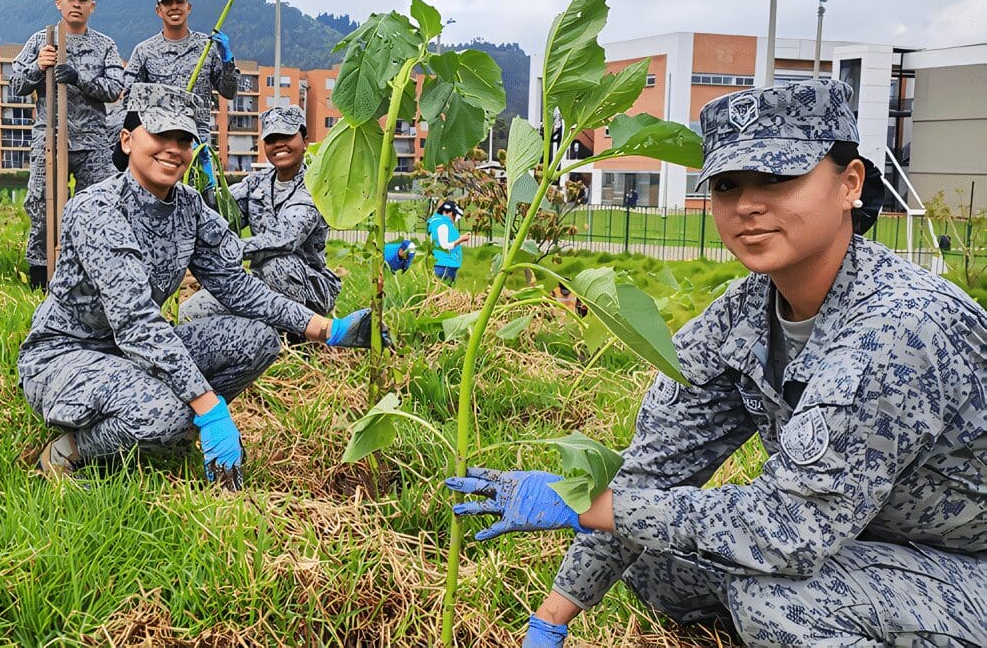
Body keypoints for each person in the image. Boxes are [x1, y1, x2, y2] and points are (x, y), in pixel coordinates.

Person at [445, 79, 986, 647]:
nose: (749, 205)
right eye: (728, 185)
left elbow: (791, 527)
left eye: (778, 177)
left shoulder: (902, 325)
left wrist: (580, 506)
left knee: (776, 601)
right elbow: (655, 469)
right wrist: (551, 618)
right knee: (654, 558)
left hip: (961, 560)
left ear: (850, 183)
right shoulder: (744, 316)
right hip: (861, 543)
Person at [17, 84, 383, 488]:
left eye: (184, 138)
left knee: (258, 338)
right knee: (170, 413)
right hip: (69, 355)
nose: (173, 148)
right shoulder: (96, 209)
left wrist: (324, 328)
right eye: (160, 134)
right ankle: (68, 451)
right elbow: (137, 322)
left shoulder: (188, 206)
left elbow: (235, 285)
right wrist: (209, 407)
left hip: (132, 354)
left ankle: (169, 430)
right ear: (126, 139)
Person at [8, 0, 125, 291]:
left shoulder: (104, 45)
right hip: (49, 138)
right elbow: (15, 85)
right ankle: (41, 279)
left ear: (92, 6)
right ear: (59, 2)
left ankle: (94, 273)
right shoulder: (40, 41)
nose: (76, 4)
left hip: (92, 143)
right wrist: (38, 67)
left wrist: (79, 78)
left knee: (99, 207)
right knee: (42, 205)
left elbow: (116, 88)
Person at [180, 105, 341, 320]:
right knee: (191, 312)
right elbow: (220, 213)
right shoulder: (257, 182)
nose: (279, 144)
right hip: (261, 286)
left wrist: (231, 250)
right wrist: (203, 187)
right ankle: (262, 326)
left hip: (308, 287)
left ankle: (299, 331)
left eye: (287, 136)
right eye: (271, 139)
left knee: (275, 265)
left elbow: (285, 239)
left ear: (305, 142)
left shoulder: (314, 187)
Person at [122, 0, 239, 187]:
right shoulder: (145, 51)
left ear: (189, 7)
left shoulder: (206, 47)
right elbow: (129, 102)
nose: (174, 7)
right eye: (168, 3)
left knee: (202, 202)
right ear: (159, 10)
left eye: (179, 1)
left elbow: (228, 92)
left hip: (197, 142)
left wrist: (228, 60)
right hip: (159, 144)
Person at [427, 200, 469, 284]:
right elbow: (444, 246)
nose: (454, 217)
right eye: (453, 214)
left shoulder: (440, 223)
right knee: (444, 290)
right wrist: (461, 240)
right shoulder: (442, 225)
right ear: (445, 212)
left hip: (445, 264)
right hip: (445, 265)